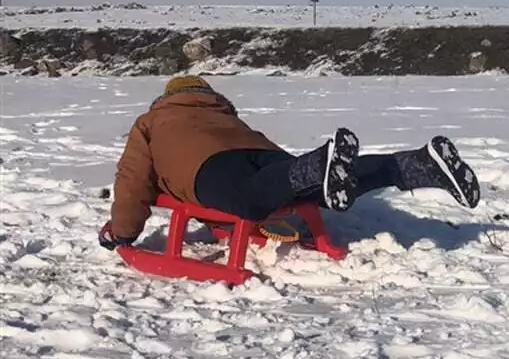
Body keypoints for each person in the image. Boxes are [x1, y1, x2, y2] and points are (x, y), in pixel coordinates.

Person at [99, 75, 481, 249]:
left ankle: (317, 166)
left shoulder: (151, 121)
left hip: (205, 166)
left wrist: (122, 234)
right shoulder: (225, 114)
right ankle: (417, 164)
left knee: (249, 199)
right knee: (313, 188)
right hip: (262, 153)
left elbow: (132, 181)